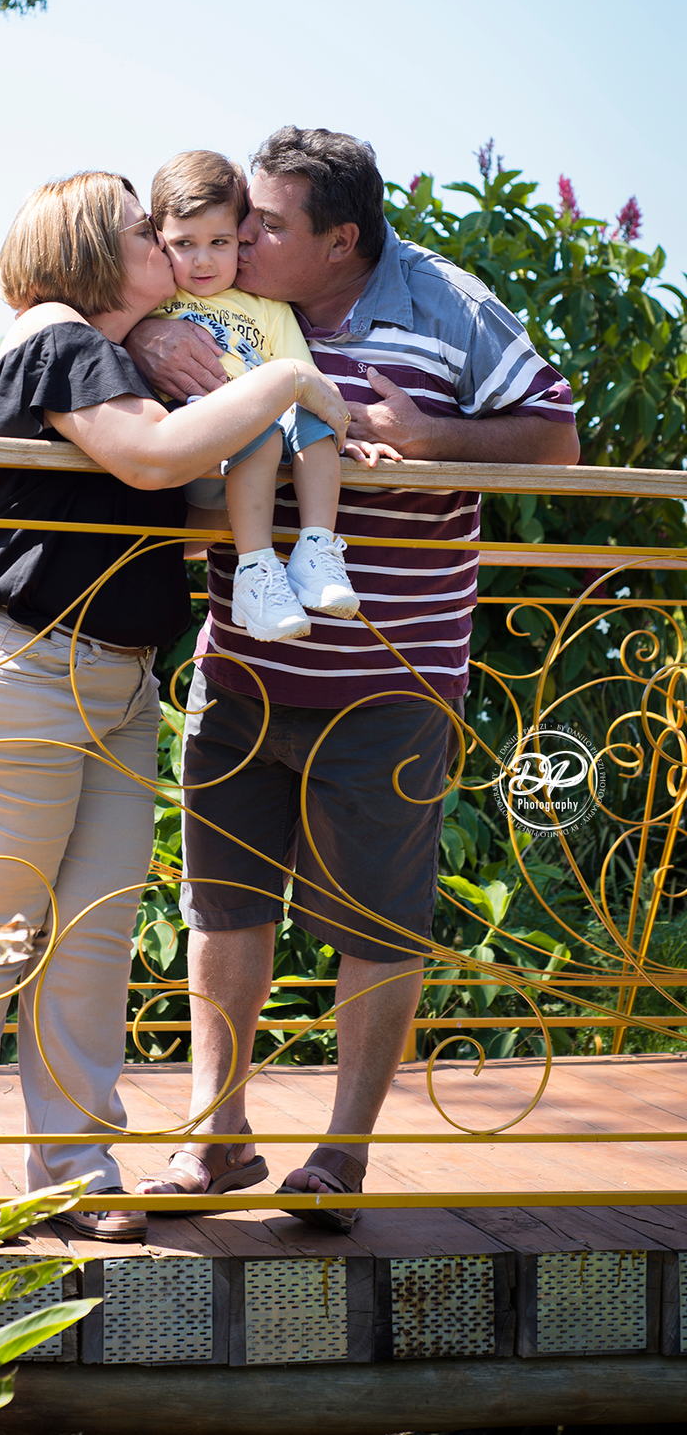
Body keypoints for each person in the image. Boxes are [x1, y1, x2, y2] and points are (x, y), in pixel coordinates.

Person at [0, 169, 352, 1243]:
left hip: (113, 679)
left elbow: (189, 488)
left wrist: (290, 436)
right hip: (18, 669)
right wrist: (290, 380)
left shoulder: (111, 361)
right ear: (94, 248)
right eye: (146, 228)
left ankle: (76, 1167)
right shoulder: (58, 339)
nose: (168, 243)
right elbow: (150, 460)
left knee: (91, 939)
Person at [129, 126, 579, 1226]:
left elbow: (556, 436)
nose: (243, 234)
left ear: (340, 241)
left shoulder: (447, 302)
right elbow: (116, 305)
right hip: (242, 668)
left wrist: (428, 434)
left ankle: (342, 1154)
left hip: (390, 682)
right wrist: (147, 335)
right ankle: (215, 1137)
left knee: (378, 920)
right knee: (222, 908)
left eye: (267, 224)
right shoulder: (220, 291)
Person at [148, 148, 384, 641]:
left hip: (266, 464)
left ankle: (316, 549)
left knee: (311, 416)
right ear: (159, 240)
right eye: (184, 244)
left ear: (240, 238)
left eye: (220, 242)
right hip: (198, 452)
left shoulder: (269, 307)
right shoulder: (157, 302)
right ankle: (255, 570)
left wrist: (344, 430)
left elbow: (306, 382)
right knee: (256, 423)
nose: (203, 259)